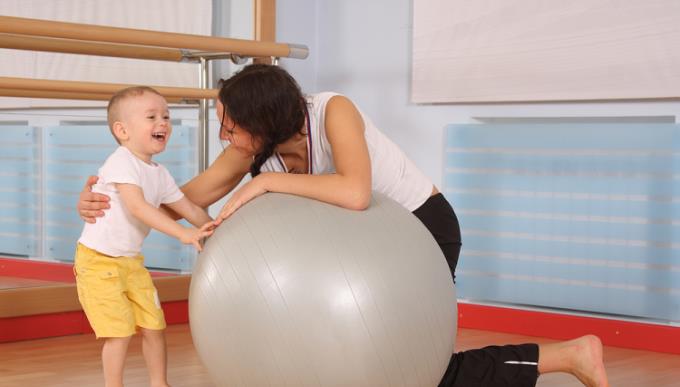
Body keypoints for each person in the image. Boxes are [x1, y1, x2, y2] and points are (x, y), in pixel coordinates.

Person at [77, 65, 609, 387]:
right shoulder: (251, 150)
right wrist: (107, 192)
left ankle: (567, 355)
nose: (224, 135)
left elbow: (355, 192)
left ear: (259, 124)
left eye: (229, 124)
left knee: (410, 372)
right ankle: (567, 355)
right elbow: (176, 200)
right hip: (353, 261)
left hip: (419, 231)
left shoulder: (333, 111)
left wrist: (263, 185)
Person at [74, 86, 215, 387]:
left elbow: (189, 207)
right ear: (122, 130)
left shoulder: (159, 173)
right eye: (151, 116)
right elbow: (137, 207)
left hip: (130, 263)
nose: (163, 122)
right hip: (98, 262)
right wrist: (183, 234)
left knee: (154, 325)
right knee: (120, 331)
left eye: (166, 116)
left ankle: (159, 383)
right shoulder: (121, 161)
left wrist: (216, 228)